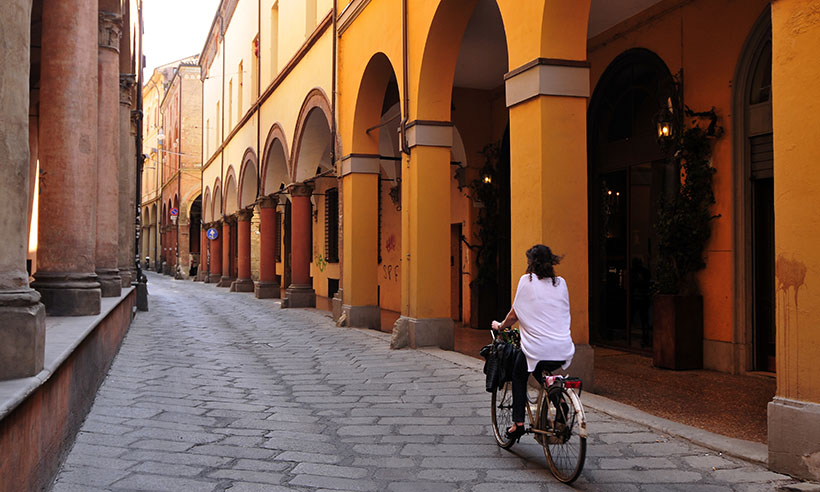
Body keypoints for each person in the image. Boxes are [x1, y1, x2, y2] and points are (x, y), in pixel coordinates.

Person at [491, 244, 575, 441]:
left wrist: (501, 326)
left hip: (537, 348)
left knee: (519, 373)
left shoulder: (526, 281)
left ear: (531, 262)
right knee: (540, 369)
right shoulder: (560, 282)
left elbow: (514, 314)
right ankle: (559, 401)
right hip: (563, 348)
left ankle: (518, 424)